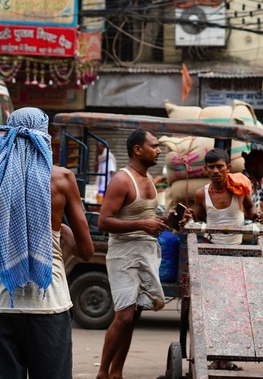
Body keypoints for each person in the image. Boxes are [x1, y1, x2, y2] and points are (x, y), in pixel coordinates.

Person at [0, 107, 95, 379]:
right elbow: (86, 251)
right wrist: (62, 232)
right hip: (50, 305)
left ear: (9, 135)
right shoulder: (62, 179)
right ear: (43, 136)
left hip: (2, 305)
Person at [96, 128, 191, 379]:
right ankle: (103, 373)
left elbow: (146, 218)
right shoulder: (122, 180)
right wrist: (142, 225)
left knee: (134, 315)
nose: (159, 150)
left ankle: (117, 372)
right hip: (124, 255)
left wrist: (170, 221)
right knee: (124, 316)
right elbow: (103, 222)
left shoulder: (148, 179)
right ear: (138, 150)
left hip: (146, 252)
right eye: (154, 146)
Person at [193, 148, 261, 245]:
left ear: (228, 168)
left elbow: (250, 207)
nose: (215, 171)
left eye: (220, 166)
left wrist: (255, 215)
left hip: (236, 246)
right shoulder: (201, 194)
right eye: (211, 167)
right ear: (206, 169)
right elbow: (200, 218)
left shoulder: (239, 189)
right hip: (210, 245)